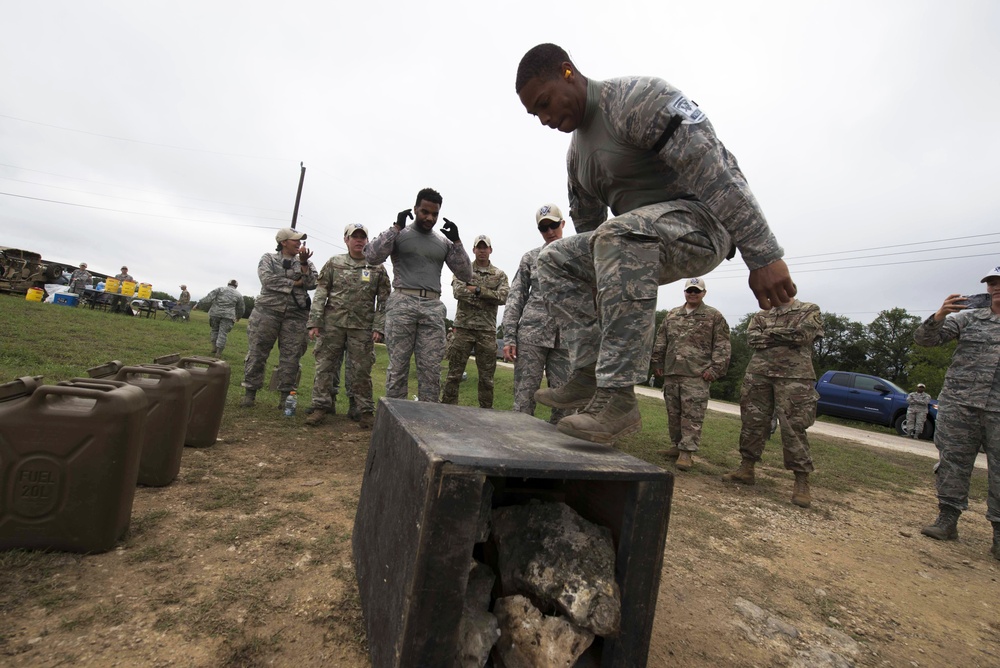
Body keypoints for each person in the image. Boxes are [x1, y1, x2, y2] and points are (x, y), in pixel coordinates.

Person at [515, 44, 795, 445]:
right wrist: (596, 294)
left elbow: (712, 168)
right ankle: (589, 371)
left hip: (702, 223)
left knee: (618, 235)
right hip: (638, 239)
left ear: (567, 73)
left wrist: (762, 254)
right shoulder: (577, 158)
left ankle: (618, 399)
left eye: (544, 103)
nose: (544, 119)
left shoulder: (638, 100)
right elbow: (590, 236)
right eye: (535, 114)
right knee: (555, 259)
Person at [914, 266, 1000, 560]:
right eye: (991, 283)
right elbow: (925, 340)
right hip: (959, 404)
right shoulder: (969, 317)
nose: (995, 287)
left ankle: (999, 536)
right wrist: (939, 315)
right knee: (952, 463)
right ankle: (947, 521)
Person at [364, 188, 472, 402]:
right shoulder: (400, 235)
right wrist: (395, 228)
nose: (429, 218)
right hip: (403, 302)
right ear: (415, 209)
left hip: (432, 307)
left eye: (434, 214)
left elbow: (466, 273)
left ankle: (427, 423)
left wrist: (457, 242)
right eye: (424, 212)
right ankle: (396, 421)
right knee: (398, 368)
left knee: (431, 371)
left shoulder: (443, 242)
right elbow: (371, 256)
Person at [722, 299, 823, 508]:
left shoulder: (809, 309)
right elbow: (752, 339)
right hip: (758, 374)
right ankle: (746, 468)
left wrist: (769, 334)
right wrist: (785, 335)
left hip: (795, 376)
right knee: (752, 422)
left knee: (793, 426)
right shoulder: (762, 314)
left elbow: (803, 335)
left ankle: (801, 481)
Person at [305, 224, 390, 428]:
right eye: (354, 237)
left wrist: (379, 327)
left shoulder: (376, 267)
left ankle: (363, 410)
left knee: (361, 370)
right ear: (346, 239)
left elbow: (385, 301)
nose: (359, 240)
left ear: (367, 241)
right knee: (325, 366)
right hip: (332, 324)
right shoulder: (335, 263)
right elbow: (321, 292)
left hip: (362, 327)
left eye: (362, 237)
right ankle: (321, 407)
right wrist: (315, 321)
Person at [502, 204, 573, 424]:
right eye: (544, 228)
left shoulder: (578, 257)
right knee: (524, 396)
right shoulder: (530, 258)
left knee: (566, 400)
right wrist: (509, 337)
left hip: (567, 340)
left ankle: (560, 448)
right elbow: (515, 298)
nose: (550, 231)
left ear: (563, 224)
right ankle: (519, 444)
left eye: (553, 225)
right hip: (531, 337)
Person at [650, 277, 731, 472]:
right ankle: (676, 446)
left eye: (697, 291)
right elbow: (661, 339)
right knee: (673, 412)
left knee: (692, 415)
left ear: (704, 293)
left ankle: (686, 453)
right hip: (672, 371)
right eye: (689, 291)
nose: (692, 294)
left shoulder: (714, 316)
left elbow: (722, 345)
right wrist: (657, 362)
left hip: (696, 374)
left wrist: (715, 369)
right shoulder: (672, 314)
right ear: (684, 292)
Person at [241, 227, 317, 408]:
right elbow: (267, 280)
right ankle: (250, 393)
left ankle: (285, 398)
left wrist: (304, 265)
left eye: (300, 240)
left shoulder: (305, 262)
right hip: (267, 312)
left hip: (296, 315)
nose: (299, 243)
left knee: (291, 358)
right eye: (295, 240)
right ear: (283, 242)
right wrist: (296, 283)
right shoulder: (269, 258)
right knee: (257, 353)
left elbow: (313, 283)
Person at [441, 234, 509, 408]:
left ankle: (485, 413)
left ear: (490, 250)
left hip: (486, 332)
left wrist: (477, 290)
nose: (482, 251)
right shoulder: (463, 270)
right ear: (473, 250)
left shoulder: (499, 275)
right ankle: (447, 409)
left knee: (487, 379)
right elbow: (458, 292)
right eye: (479, 247)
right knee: (454, 374)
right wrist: (488, 297)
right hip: (463, 329)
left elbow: (503, 297)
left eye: (485, 247)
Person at [200, 279, 244, 357]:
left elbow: (209, 297)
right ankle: (219, 352)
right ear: (236, 286)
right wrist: (238, 316)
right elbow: (241, 308)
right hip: (228, 316)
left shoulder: (220, 289)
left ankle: (214, 347)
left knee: (214, 330)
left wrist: (198, 304)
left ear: (228, 284)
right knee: (223, 333)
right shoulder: (238, 295)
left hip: (215, 313)